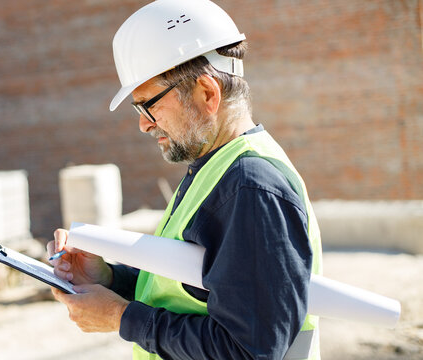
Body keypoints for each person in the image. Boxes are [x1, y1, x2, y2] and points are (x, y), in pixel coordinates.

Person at [47, 0, 323, 359]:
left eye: (150, 103)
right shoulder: (216, 170)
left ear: (207, 93)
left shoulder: (250, 186)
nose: (144, 123)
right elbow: (191, 291)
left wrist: (120, 317)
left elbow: (249, 349)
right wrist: (111, 279)